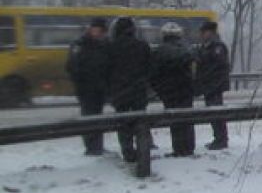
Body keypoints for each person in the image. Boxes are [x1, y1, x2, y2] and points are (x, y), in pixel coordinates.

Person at [107, 16, 152, 163]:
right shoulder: (142, 46)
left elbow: (106, 71)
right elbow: (149, 68)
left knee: (123, 124)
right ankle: (143, 151)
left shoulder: (111, 47)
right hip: (139, 91)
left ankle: (128, 152)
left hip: (120, 92)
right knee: (140, 122)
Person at [65, 18, 111, 156]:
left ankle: (97, 145)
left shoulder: (104, 45)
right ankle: (92, 147)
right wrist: (81, 81)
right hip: (86, 88)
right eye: (97, 30)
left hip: (99, 88)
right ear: (91, 29)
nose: (99, 33)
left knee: (97, 116)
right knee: (89, 116)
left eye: (102, 31)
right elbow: (72, 66)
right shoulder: (80, 45)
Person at [151, 22, 196, 157]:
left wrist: (159, 90)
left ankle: (179, 148)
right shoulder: (188, 50)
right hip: (186, 91)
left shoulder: (159, 51)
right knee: (187, 119)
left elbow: (154, 73)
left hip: (169, 92)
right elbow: (195, 71)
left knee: (175, 121)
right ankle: (189, 147)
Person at [194, 20, 230, 150]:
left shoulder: (217, 47)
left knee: (217, 113)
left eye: (204, 32)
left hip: (214, 86)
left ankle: (221, 139)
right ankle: (218, 138)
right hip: (208, 86)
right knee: (212, 114)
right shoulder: (205, 47)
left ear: (211, 32)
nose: (202, 35)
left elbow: (219, 67)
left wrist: (212, 82)